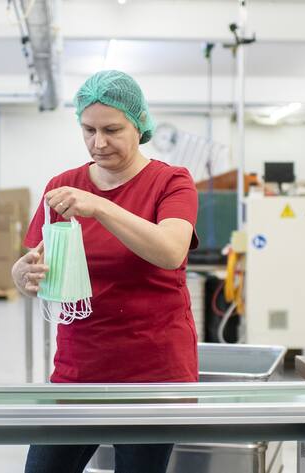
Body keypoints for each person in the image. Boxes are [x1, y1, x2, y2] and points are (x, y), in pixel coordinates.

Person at [12, 70, 199, 473]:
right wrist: (22, 275)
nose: (99, 142)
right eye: (88, 129)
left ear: (140, 124)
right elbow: (40, 265)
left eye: (112, 129)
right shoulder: (63, 186)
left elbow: (170, 251)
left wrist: (99, 206)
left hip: (152, 372)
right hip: (80, 367)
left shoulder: (171, 182)